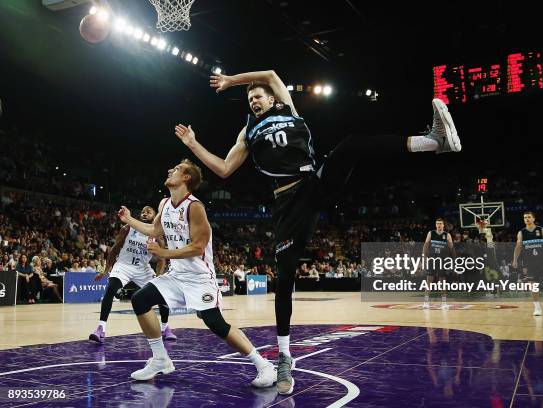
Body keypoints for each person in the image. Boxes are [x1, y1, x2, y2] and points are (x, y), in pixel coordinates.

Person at [174, 69, 461, 394]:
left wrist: (230, 80)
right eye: (249, 98)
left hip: (314, 181)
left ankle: (433, 141)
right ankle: (284, 357)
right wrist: (194, 144)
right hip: (288, 203)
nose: (254, 100)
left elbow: (269, 73)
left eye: (258, 95)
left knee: (352, 144)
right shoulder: (248, 132)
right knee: (284, 279)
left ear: (271, 96)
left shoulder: (287, 107)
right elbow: (224, 169)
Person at [118, 160, 276, 387]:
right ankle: (161, 358)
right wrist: (129, 220)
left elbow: (198, 247)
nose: (170, 170)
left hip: (199, 278)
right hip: (176, 275)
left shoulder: (195, 207)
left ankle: (264, 365)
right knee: (140, 299)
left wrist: (163, 252)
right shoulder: (164, 203)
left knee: (215, 323)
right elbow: (155, 229)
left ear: (186, 178)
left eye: (177, 169)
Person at [89, 206, 176, 343]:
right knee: (112, 290)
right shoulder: (128, 228)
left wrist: (159, 276)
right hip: (124, 266)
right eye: (142, 211)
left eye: (148, 212)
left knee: (163, 294)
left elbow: (161, 258)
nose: (144, 213)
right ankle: (101, 328)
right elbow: (115, 249)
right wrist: (106, 270)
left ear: (154, 216)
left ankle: (165, 328)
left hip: (143, 269)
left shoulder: (157, 235)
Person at [422, 218, 456, 309]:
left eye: (440, 223)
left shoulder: (447, 235)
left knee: (442, 281)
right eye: (437, 223)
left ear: (443, 225)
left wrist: (454, 260)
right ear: (435, 225)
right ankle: (426, 302)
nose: (439, 225)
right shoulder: (431, 233)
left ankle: (444, 302)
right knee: (429, 280)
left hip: (442, 260)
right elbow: (425, 246)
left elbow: (452, 248)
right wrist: (425, 258)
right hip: (432, 259)